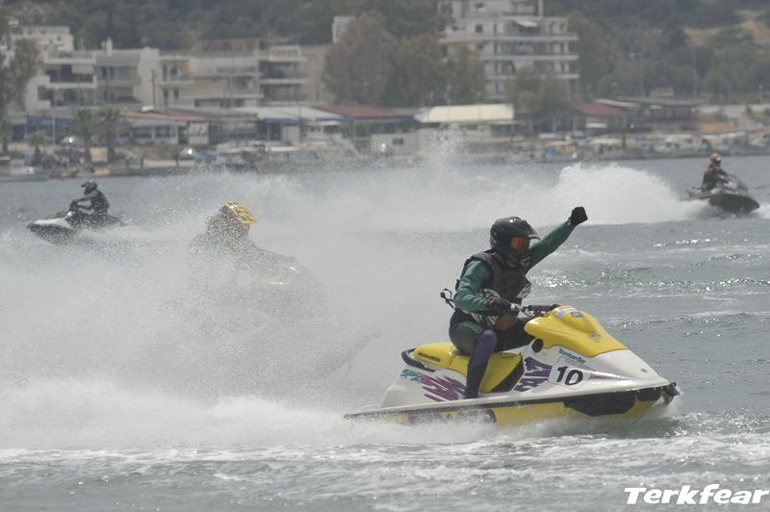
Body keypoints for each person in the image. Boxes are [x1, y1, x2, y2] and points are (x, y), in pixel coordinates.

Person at [448, 207, 588, 399]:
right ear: (504, 243)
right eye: (519, 243)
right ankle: (470, 396)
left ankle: (560, 382)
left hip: (503, 330)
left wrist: (570, 224)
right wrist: (490, 304)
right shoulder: (481, 265)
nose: (524, 248)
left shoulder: (522, 262)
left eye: (526, 243)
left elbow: (547, 245)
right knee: (487, 337)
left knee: (549, 328)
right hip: (466, 328)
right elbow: (461, 297)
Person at [190, 201, 259, 257]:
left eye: (245, 225)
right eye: (239, 225)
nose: (244, 228)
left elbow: (255, 252)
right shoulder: (208, 239)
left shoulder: (241, 239)